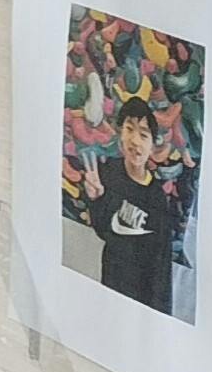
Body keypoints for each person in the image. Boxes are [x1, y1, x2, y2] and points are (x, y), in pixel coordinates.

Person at [79, 96, 184, 315]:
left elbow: (160, 266)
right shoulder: (108, 173)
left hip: (142, 299)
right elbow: (104, 229)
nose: (135, 141)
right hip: (111, 287)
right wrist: (96, 198)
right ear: (121, 134)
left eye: (143, 135)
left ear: (152, 145)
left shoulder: (156, 198)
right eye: (129, 129)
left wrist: (158, 315)